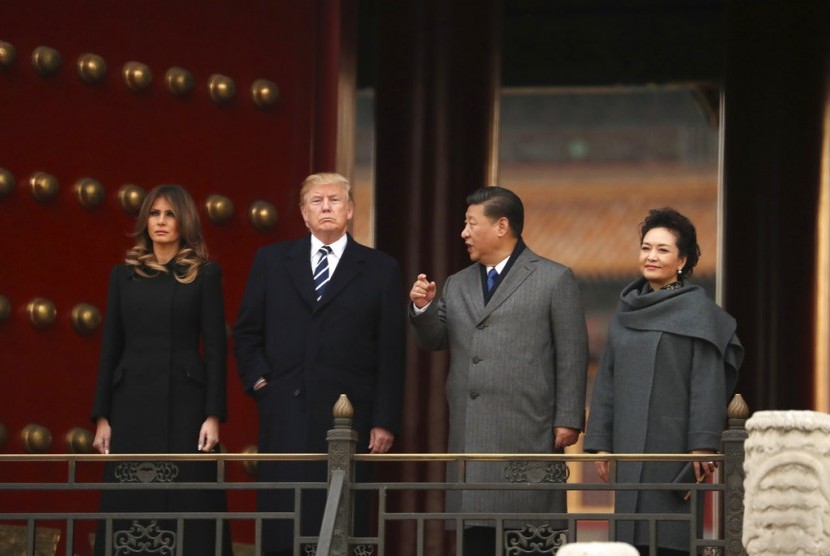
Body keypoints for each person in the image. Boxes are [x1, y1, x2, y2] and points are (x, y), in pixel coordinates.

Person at [409, 186, 589, 556]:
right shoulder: (457, 284)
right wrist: (424, 308)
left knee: (530, 536)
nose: (464, 233)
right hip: (472, 435)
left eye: (471, 223)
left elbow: (572, 353)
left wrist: (568, 418)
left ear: (502, 225)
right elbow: (435, 340)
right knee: (476, 538)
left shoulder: (553, 278)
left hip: (529, 429)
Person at [233, 172, 405, 556]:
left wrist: (383, 419)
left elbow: (391, 351)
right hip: (285, 412)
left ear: (350, 210)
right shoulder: (273, 261)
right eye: (316, 201)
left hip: (350, 418)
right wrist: (262, 385)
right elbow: (247, 333)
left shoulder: (380, 269)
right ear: (303, 213)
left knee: (344, 519)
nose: (326, 207)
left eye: (335, 200)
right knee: (284, 519)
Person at [583, 207, 744, 556]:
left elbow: (707, 383)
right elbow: (607, 381)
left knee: (670, 539)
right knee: (628, 542)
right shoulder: (625, 310)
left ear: (682, 260)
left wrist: (702, 443)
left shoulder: (698, 314)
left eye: (662, 250)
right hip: (628, 443)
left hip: (672, 445)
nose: (651, 256)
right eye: (646, 247)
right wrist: (601, 442)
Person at [90, 184, 231, 555]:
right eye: (154, 214)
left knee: (188, 502)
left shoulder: (204, 273)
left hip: (186, 404)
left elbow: (215, 348)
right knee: (131, 500)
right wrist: (102, 416)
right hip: (130, 402)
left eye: (169, 214)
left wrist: (213, 415)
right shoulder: (122, 275)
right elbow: (110, 347)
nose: (161, 222)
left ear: (184, 221)